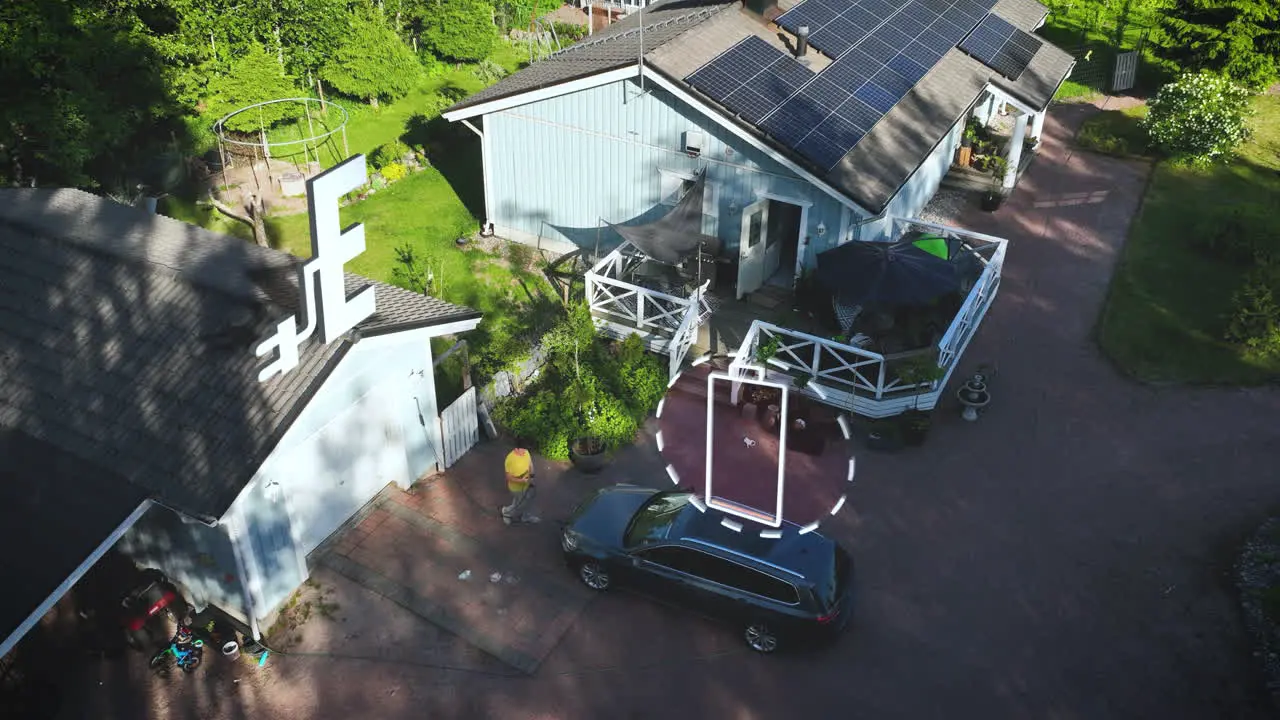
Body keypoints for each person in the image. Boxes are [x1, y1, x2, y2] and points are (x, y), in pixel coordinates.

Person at [502, 447, 538, 525]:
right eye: (521, 450)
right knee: (518, 504)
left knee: (528, 500)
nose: (523, 452)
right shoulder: (510, 459)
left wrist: (531, 477)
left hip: (527, 484)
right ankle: (506, 512)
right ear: (516, 448)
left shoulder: (526, 452)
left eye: (524, 450)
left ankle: (525, 516)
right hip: (516, 488)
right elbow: (508, 477)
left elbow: (530, 465)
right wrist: (521, 481)